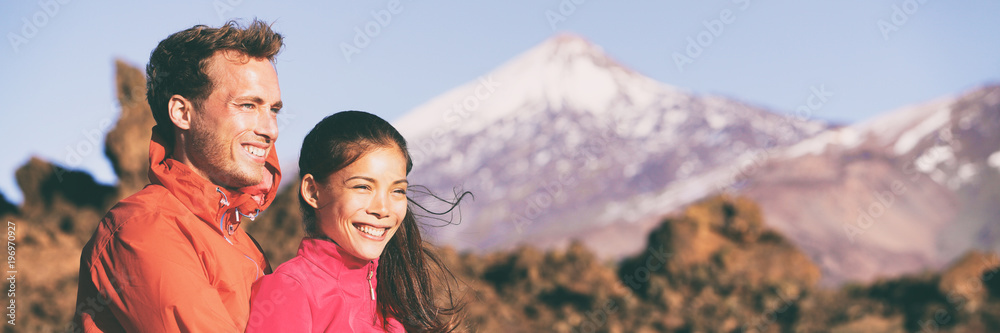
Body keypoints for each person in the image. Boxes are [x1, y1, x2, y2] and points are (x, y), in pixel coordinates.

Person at [73, 19, 284, 332]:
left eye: (273, 109)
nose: (271, 129)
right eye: (248, 105)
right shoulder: (143, 229)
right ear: (183, 113)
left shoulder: (242, 241)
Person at [246, 111, 465, 332]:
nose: (382, 208)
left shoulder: (392, 292)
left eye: (398, 190)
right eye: (362, 187)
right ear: (312, 191)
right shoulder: (290, 290)